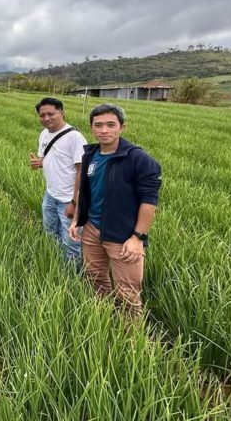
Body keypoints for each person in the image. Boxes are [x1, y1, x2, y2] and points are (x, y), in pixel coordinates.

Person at [69, 104, 162, 316]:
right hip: (92, 229)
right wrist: (77, 219)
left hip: (122, 234)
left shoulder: (139, 159)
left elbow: (149, 202)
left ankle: (132, 343)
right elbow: (86, 191)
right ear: (91, 128)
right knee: (95, 277)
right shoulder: (90, 155)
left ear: (122, 127)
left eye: (111, 125)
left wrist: (138, 237)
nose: (104, 130)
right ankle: (105, 320)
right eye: (98, 125)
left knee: (127, 292)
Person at [29, 97, 87, 264]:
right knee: (50, 234)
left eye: (51, 114)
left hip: (68, 199)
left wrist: (74, 203)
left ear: (62, 113)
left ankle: (72, 280)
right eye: (42, 115)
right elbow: (45, 159)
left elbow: (81, 171)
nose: (46, 118)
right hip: (50, 195)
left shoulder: (74, 137)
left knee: (71, 243)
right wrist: (37, 164)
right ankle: (55, 267)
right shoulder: (44, 134)